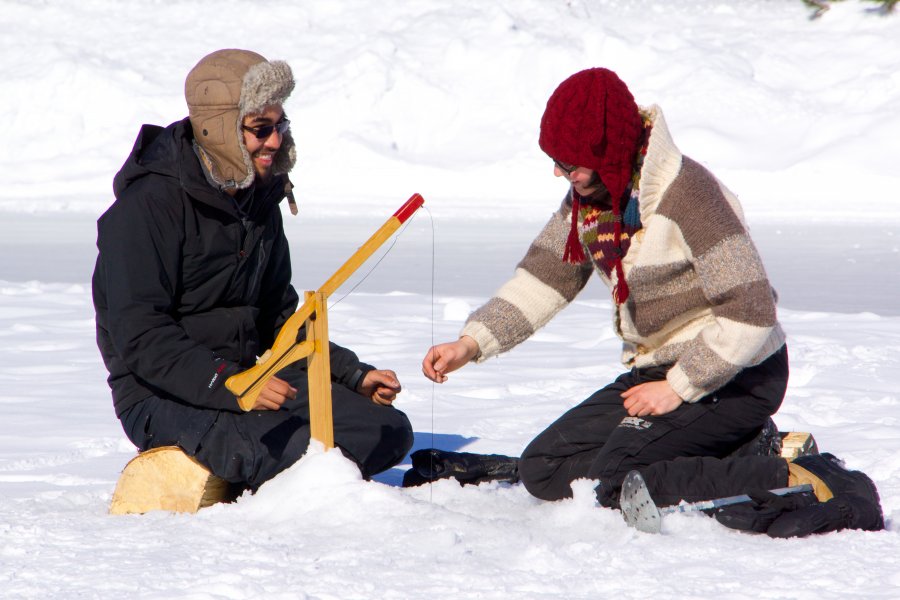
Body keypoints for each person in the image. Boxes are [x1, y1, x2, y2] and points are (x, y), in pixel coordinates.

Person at [419, 68, 883, 537]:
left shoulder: (689, 196)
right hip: (659, 371)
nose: (559, 172)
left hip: (735, 374)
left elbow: (751, 311)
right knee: (544, 467)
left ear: (607, 153)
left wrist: (679, 387)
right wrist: (471, 344)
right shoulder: (593, 199)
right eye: (556, 159)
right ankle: (753, 448)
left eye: (569, 162)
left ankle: (797, 473)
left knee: (616, 480)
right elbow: (547, 277)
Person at [93, 49, 413, 492]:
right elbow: (141, 337)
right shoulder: (146, 208)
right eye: (261, 129)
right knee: (306, 451)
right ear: (220, 128)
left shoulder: (258, 199)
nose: (276, 141)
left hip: (252, 381)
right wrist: (230, 383)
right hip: (162, 394)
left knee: (386, 429)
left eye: (280, 126)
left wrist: (350, 374)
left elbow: (277, 317)